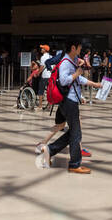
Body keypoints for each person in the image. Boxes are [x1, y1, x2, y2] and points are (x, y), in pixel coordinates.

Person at [37, 38, 92, 173]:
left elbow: (75, 80)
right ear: (73, 48)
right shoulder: (66, 62)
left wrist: (93, 84)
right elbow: (64, 80)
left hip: (69, 100)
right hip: (69, 101)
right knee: (76, 133)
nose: (80, 50)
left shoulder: (71, 61)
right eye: (79, 47)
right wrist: (76, 73)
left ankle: (50, 150)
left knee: (74, 132)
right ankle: (74, 164)